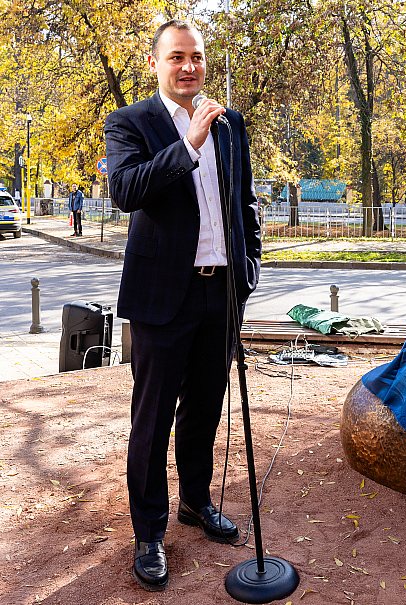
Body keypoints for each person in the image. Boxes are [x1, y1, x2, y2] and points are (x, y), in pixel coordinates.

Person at [104, 19, 261, 592]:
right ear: (156, 64)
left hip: (219, 292)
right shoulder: (131, 123)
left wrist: (248, 271)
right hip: (160, 296)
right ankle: (149, 531)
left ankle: (196, 502)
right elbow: (125, 191)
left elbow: (243, 203)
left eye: (196, 56)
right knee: (152, 416)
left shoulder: (231, 124)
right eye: (177, 57)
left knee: (204, 406)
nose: (189, 66)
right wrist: (188, 143)